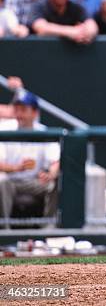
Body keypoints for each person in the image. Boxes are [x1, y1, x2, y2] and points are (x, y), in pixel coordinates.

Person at [0, 92, 61, 225]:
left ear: (34, 113)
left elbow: (55, 161)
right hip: (10, 181)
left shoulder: (44, 132)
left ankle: (48, 228)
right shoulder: (4, 129)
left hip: (34, 181)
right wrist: (16, 168)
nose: (19, 114)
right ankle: (3, 230)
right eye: (17, 109)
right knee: (1, 180)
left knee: (54, 183)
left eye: (23, 110)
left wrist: (50, 174)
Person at [30, 0, 98, 44]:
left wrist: (86, 34)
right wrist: (71, 32)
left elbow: (92, 25)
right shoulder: (38, 6)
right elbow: (41, 28)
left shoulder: (76, 7)